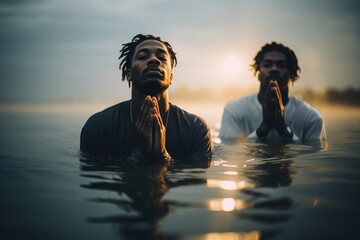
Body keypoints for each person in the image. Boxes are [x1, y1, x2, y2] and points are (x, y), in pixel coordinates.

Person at [80, 34, 213, 162]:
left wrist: (163, 156)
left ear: (171, 77)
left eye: (162, 57)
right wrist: (138, 156)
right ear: (128, 74)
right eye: (143, 56)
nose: (154, 60)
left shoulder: (196, 129)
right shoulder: (98, 127)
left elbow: (199, 178)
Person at [219, 42, 326, 145]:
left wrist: (283, 128)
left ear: (291, 74)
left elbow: (312, 157)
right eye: (267, 64)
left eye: (281, 65)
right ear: (258, 73)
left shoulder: (311, 118)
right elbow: (230, 153)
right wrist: (263, 128)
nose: (274, 69)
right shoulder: (233, 110)